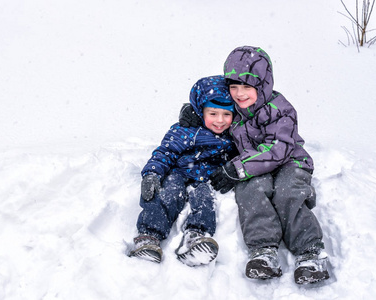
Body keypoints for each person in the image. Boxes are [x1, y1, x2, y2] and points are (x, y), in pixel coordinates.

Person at [179, 46, 330, 284]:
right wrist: (194, 112)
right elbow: (212, 106)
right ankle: (263, 251)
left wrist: (238, 168)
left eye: (247, 87)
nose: (240, 94)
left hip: (290, 162)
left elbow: (279, 148)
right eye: (234, 86)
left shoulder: (280, 109)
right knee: (250, 191)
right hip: (252, 165)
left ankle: (309, 252)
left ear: (263, 84)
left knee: (287, 193)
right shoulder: (233, 107)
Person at [129, 75, 237, 267]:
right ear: (200, 110)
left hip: (207, 178)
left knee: (205, 201)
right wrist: (152, 173)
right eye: (213, 114)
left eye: (226, 114)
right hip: (179, 173)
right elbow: (165, 152)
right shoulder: (185, 130)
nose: (220, 121)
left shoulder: (234, 135)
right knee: (167, 194)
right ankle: (149, 236)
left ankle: (195, 238)